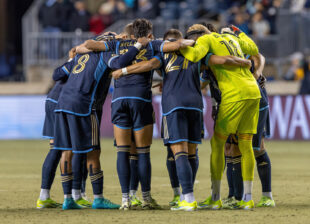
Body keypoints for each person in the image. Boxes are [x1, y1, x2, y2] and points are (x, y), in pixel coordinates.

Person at [111, 25, 252, 211]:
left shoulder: (163, 53)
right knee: (192, 152)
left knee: (179, 152)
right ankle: (188, 195)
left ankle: (187, 198)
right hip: (195, 104)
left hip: (173, 104)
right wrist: (244, 62)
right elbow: (222, 59)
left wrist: (124, 71)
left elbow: (149, 65)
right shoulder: (199, 53)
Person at [78, 18, 195, 210]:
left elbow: (89, 44)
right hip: (141, 99)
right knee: (142, 152)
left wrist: (116, 38)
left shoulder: (117, 43)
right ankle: (146, 198)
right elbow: (180, 44)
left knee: (122, 151)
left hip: (119, 100)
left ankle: (126, 199)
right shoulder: (154, 43)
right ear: (149, 33)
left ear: (131, 33)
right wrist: (192, 42)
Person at [52, 37, 147, 210]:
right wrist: (138, 45)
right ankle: (98, 198)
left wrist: (71, 57)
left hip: (62, 105)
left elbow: (56, 74)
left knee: (67, 151)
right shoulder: (104, 54)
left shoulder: (80, 57)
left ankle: (68, 199)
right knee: (93, 152)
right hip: (84, 106)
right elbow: (120, 62)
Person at [180, 24, 262, 210]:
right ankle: (247, 198)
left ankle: (215, 197)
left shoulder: (206, 39)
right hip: (253, 91)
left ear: (197, 36)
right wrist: (240, 32)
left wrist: (179, 45)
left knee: (217, 143)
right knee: (246, 143)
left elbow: (193, 56)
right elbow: (253, 49)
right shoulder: (231, 38)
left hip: (235, 94)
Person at [36, 48, 76, 209]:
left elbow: (56, 74)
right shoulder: (85, 59)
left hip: (54, 99)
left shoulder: (79, 58)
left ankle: (44, 196)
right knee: (65, 149)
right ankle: (74, 195)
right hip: (61, 102)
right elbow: (56, 74)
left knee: (57, 149)